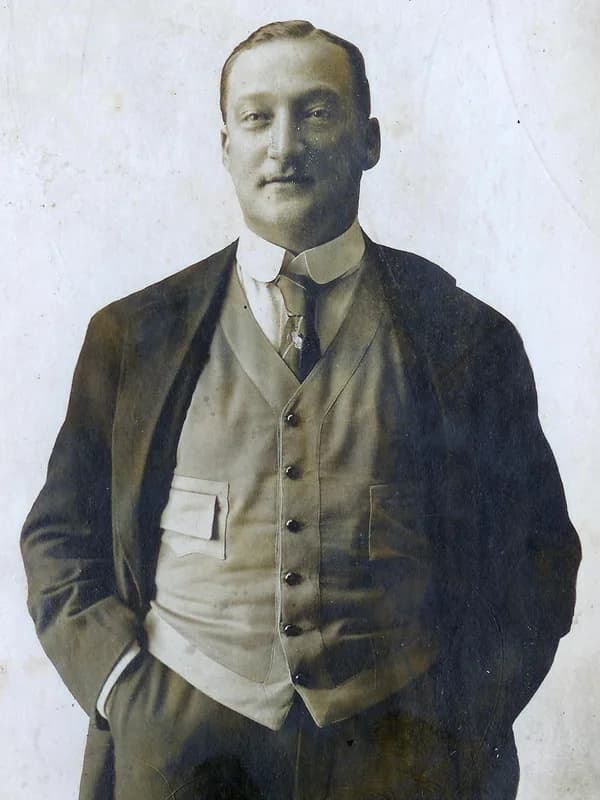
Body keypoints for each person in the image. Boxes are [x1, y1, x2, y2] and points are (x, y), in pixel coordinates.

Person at [21, 19, 581, 800]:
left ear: (369, 140)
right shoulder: (133, 335)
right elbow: (58, 538)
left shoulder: (465, 337)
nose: (284, 145)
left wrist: (459, 717)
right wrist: (124, 690)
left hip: (399, 754)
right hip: (180, 752)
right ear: (226, 147)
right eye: (257, 117)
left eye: (316, 112)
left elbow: (537, 554)